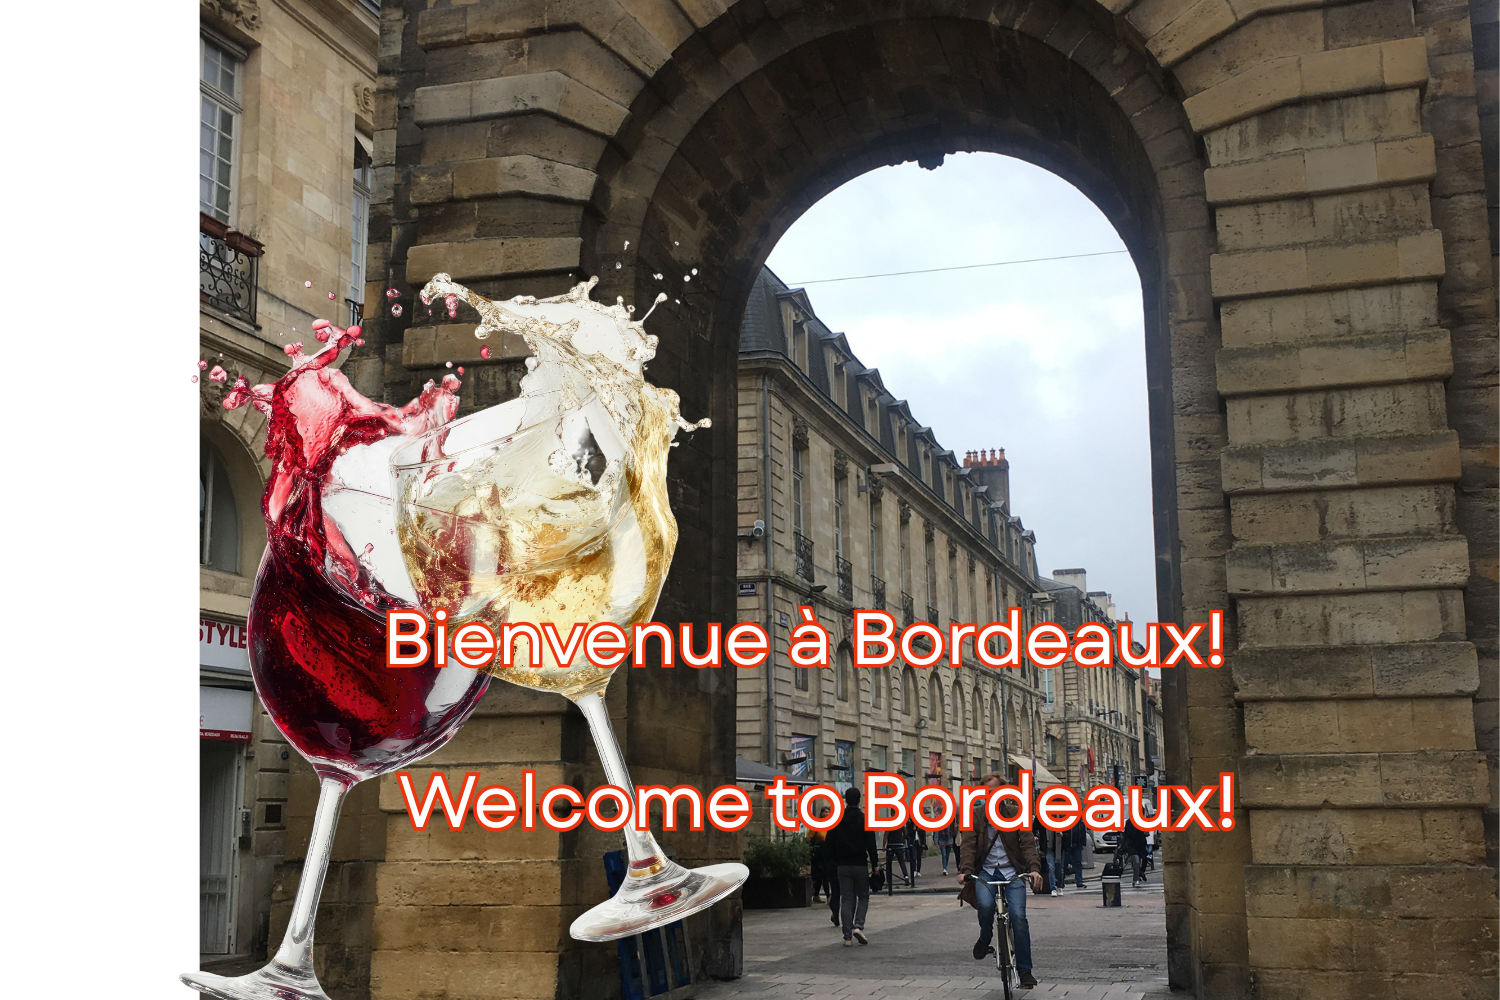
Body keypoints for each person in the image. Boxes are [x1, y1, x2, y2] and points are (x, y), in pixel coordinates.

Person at [958, 773, 1042, 989]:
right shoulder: (975, 815)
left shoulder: (1016, 813)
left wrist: (1034, 869)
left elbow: (1027, 844)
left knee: (1019, 917)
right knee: (985, 906)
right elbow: (967, 845)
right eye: (987, 793)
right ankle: (985, 937)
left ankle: (1025, 972)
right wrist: (965, 871)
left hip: (1011, 872)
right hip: (986, 872)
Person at [825, 785, 880, 946]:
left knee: (847, 899)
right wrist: (875, 864)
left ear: (846, 801)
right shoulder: (864, 819)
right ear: (859, 800)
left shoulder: (837, 820)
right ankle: (858, 925)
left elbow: (829, 843)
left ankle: (847, 936)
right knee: (863, 896)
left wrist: (833, 862)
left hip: (842, 865)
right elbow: (871, 844)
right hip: (860, 864)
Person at [1061, 814, 1088, 889]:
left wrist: (1083, 843)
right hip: (1067, 845)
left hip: (1076, 844)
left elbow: (1082, 830)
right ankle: (1061, 882)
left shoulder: (1078, 818)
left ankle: (1079, 882)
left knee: (1078, 863)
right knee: (1064, 864)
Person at [1122, 817, 1149, 887]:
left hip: (1141, 845)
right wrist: (1123, 845)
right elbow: (1126, 834)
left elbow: (1146, 832)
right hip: (1132, 845)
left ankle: (1140, 873)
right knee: (1136, 861)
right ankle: (1135, 880)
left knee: (1143, 860)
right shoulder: (1129, 822)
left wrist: (1145, 833)